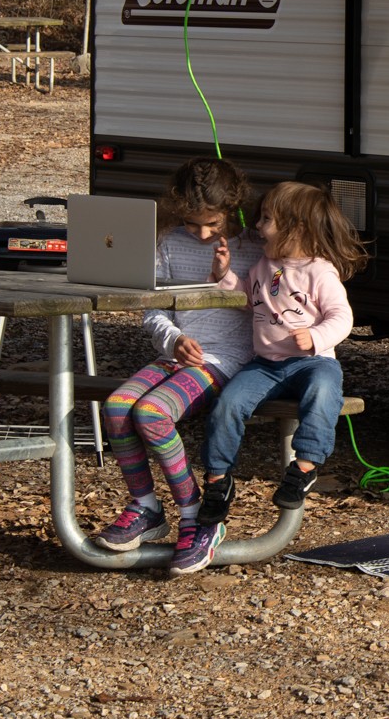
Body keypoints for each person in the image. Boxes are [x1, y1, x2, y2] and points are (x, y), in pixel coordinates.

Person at [181, 180, 368, 575]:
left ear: (295, 229)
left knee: (323, 392)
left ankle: (304, 467)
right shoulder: (265, 267)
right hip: (265, 364)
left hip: (311, 361)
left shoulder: (319, 272)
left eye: (267, 219)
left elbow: (343, 317)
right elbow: (249, 298)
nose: (257, 226)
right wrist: (224, 274)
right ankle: (217, 479)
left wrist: (314, 337)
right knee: (228, 404)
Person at [91, 158, 263, 568]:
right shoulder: (167, 242)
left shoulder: (255, 247)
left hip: (226, 359)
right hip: (177, 353)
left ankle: (193, 515)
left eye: (212, 224)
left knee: (151, 413)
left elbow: (266, 309)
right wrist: (175, 338)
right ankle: (146, 508)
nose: (202, 233)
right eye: (192, 223)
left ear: (233, 208)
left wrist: (225, 276)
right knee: (116, 407)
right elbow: (154, 311)